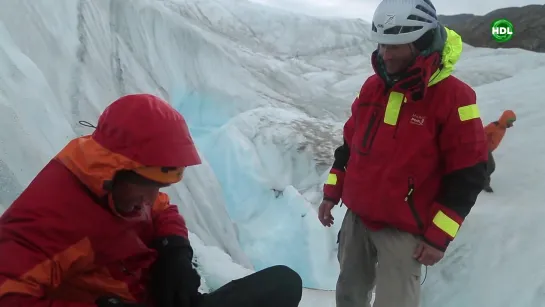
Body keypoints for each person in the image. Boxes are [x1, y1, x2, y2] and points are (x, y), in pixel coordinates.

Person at [0, 94, 303, 307]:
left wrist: (175, 252)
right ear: (115, 169)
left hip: (152, 295)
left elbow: (163, 210)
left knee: (284, 283)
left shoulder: (122, 187)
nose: (151, 199)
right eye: (149, 187)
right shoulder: (48, 218)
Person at [318, 0, 488, 306]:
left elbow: (468, 173)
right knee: (348, 295)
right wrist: (332, 192)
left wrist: (438, 237)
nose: (386, 54)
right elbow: (349, 145)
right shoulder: (372, 87)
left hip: (404, 231)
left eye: (397, 45)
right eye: (383, 44)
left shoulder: (455, 98)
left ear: (423, 43)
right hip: (357, 219)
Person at [483, 110, 516, 192]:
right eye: (510, 121)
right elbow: (482, 133)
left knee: (484, 166)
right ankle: (483, 183)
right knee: (491, 166)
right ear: (505, 119)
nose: (511, 124)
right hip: (484, 148)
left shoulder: (503, 128)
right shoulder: (494, 126)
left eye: (512, 122)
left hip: (488, 149)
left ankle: (480, 180)